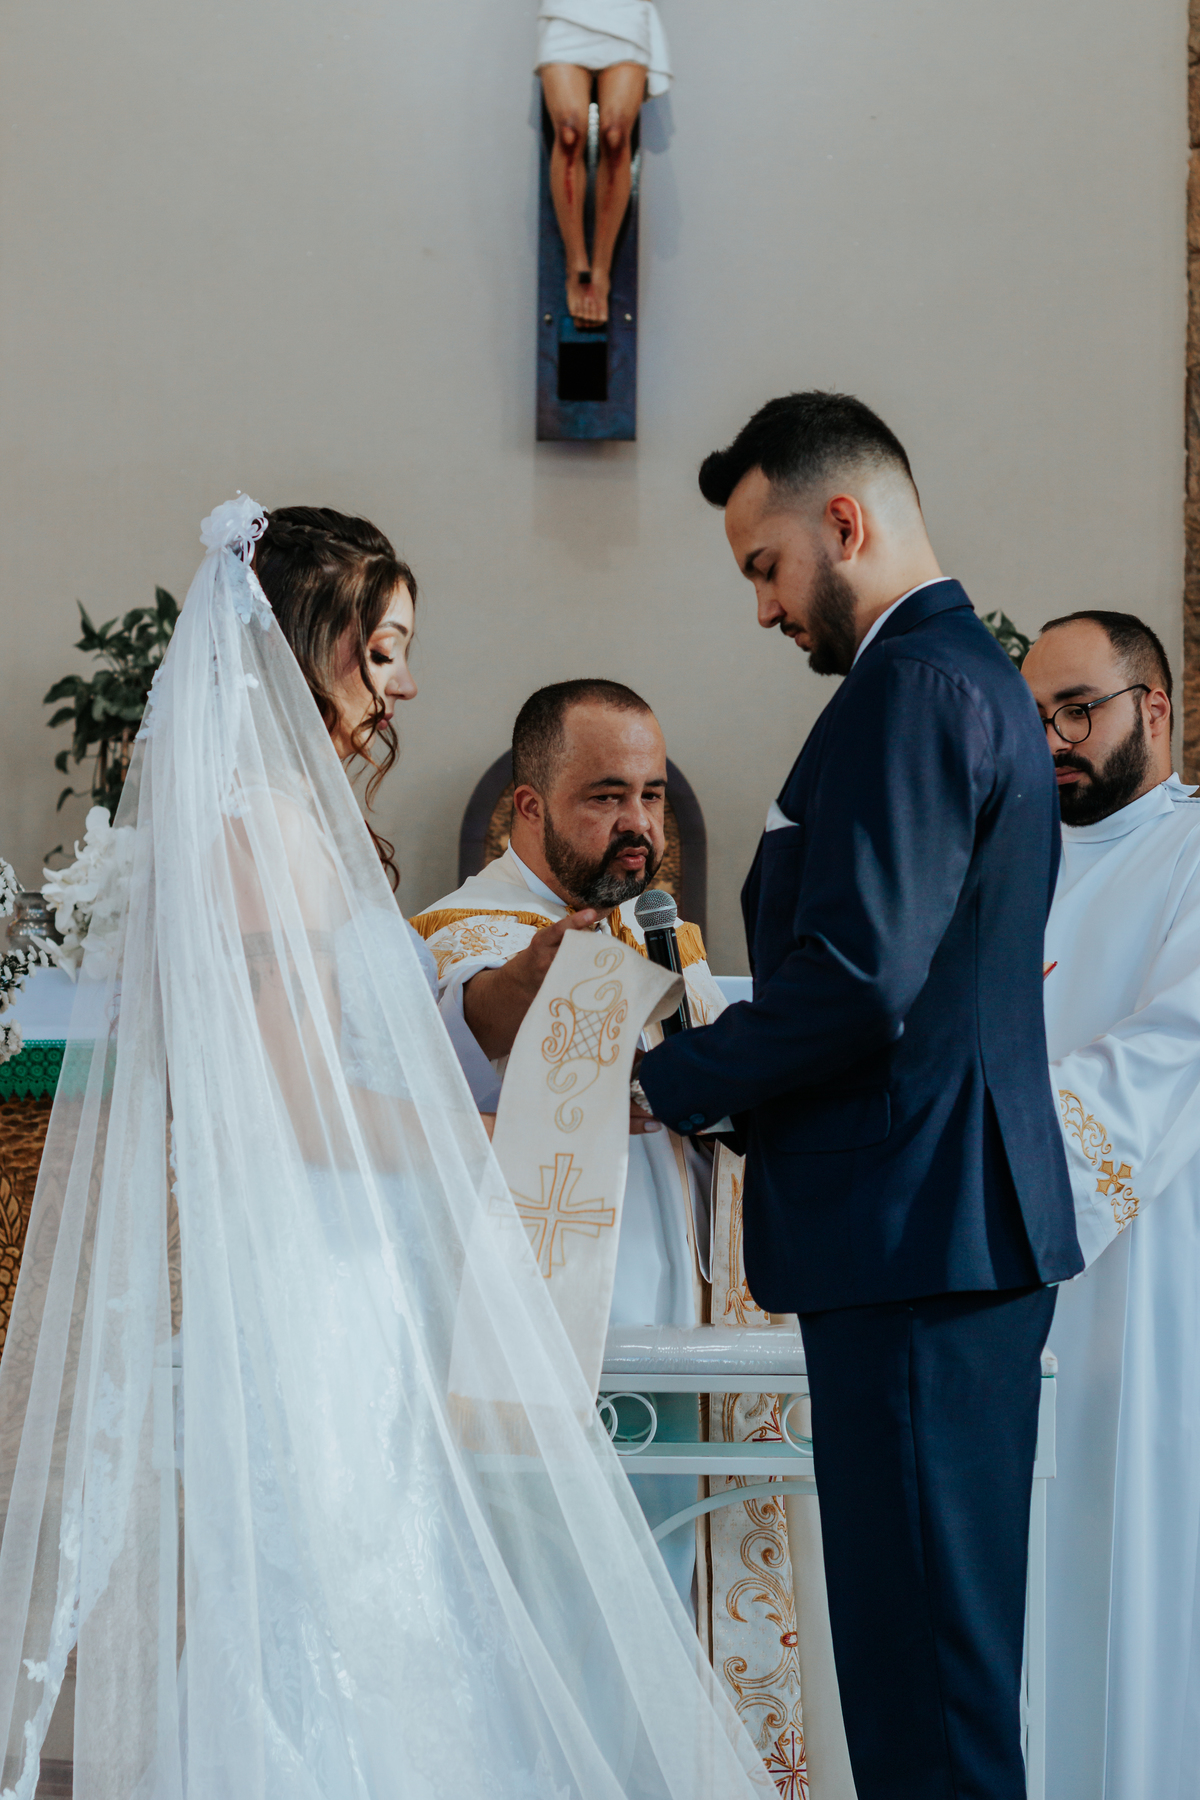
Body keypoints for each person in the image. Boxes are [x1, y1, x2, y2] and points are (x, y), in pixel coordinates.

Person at [0, 498, 773, 1800]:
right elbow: (303, 1106)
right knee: (339, 1613)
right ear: (314, 645)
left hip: (365, 1275)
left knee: (405, 1608)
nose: (407, 680)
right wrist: (492, 1138)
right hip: (322, 1287)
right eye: (386, 647)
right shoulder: (256, 839)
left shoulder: (314, 833)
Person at [636, 391, 1082, 1800]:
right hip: (935, 1228)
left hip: (918, 1231)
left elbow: (855, 981)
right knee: (924, 1669)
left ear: (846, 520)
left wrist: (679, 1076)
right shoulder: (949, 677)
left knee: (928, 1689)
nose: (765, 609)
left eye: (764, 567)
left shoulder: (914, 686)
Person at [409, 680, 721, 1612]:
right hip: (553, 1310)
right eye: (606, 797)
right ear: (529, 807)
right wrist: (526, 980)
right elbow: (474, 1020)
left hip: (686, 1296)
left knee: (666, 1572)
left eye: (651, 795)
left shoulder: (670, 937)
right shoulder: (458, 934)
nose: (638, 823)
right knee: (556, 1581)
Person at [1021, 610, 1200, 1800]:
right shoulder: (1012, 859)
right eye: (1037, 720)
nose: (1054, 744)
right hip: (1010, 1280)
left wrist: (989, 1144)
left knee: (1135, 1576)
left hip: (1148, 1273)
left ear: (1160, 710)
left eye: (1078, 711)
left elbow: (1169, 1050)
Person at [536, 2, 671, 325]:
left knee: (615, 135)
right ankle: (576, 265)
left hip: (624, 12)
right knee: (568, 132)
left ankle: (601, 270)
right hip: (567, 11)